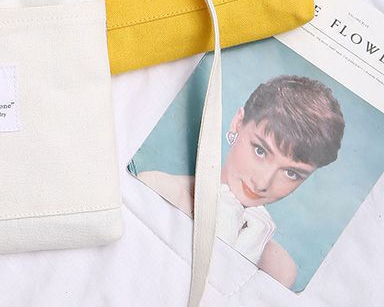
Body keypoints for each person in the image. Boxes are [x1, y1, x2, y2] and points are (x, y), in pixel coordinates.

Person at [139, 75, 345, 288]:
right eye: (260, 150)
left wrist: (244, 255)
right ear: (238, 124)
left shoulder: (281, 268)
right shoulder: (158, 189)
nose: (262, 183)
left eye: (291, 173)